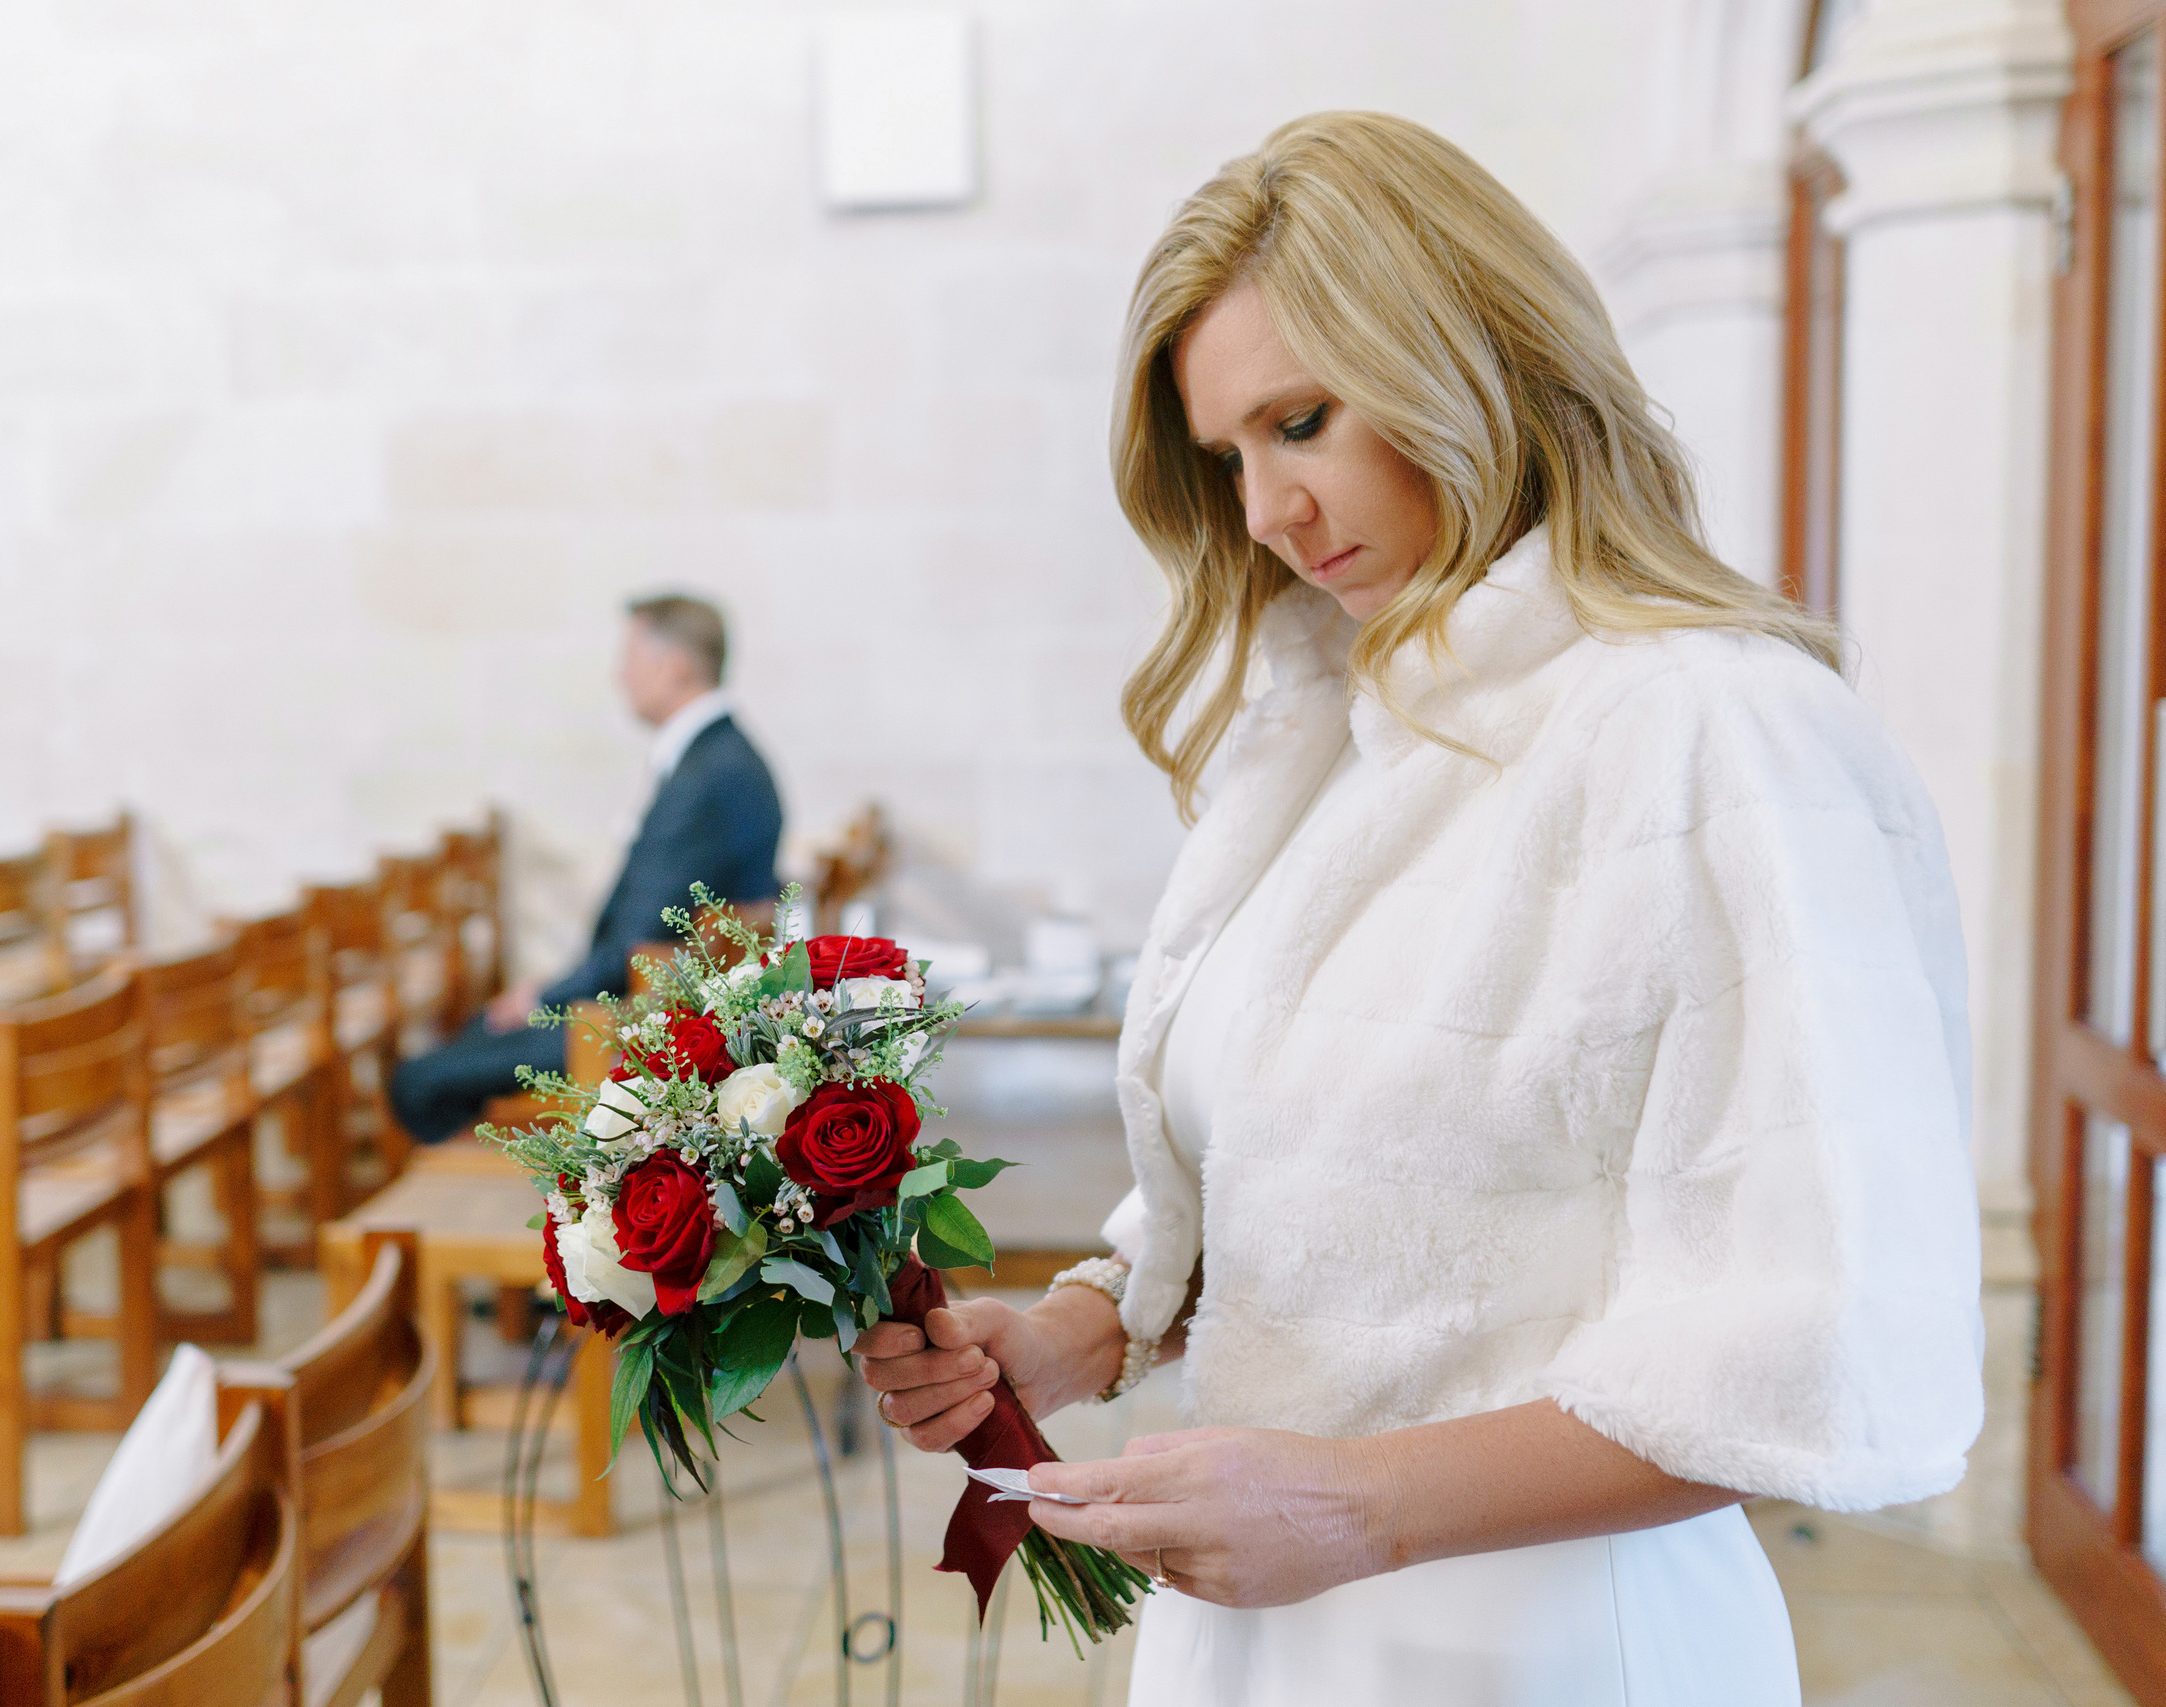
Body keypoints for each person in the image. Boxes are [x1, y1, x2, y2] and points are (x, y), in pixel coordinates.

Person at [854, 111, 1981, 1705]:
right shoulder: (1329, 731)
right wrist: (1081, 1326)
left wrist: (1358, 1502)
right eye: (1226, 457)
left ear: (1476, 354)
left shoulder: (1719, 733)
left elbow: (1820, 1340)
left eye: (1301, 421)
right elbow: (1341, 1201)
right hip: (1269, 1613)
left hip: (1539, 1639)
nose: (1264, 511)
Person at [389, 593, 782, 1142]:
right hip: (652, 1005)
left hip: (634, 1024)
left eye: (630, 658)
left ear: (672, 665)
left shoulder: (709, 777)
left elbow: (643, 934)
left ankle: (483, 1200)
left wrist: (548, 997)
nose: (619, 676)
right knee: (471, 1034)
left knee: (417, 1081)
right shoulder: (722, 758)